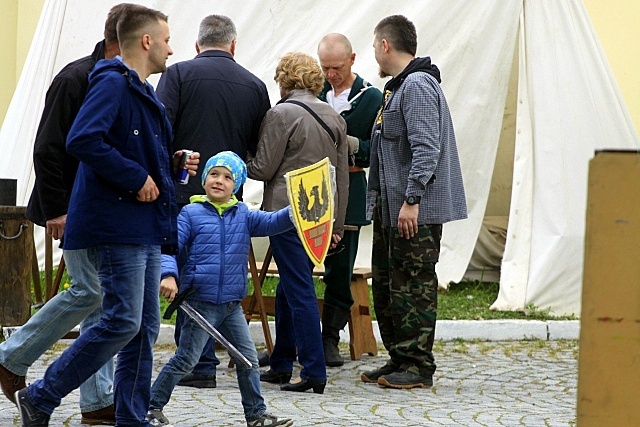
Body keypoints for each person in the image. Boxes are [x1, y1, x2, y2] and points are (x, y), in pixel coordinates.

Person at [13, 5, 194, 425]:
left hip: (145, 227)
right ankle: (40, 397)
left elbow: (129, 150)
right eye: (166, 39)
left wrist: (172, 163)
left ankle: (131, 416)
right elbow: (83, 139)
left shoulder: (144, 91)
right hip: (118, 226)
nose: (172, 47)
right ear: (146, 41)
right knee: (122, 321)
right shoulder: (112, 82)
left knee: (143, 328)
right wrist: (135, 178)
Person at [0, 4, 128, 425]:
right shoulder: (75, 78)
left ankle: (96, 401)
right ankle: (10, 355)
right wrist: (57, 209)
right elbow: (47, 147)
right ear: (125, 39)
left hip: (102, 209)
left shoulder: (123, 80)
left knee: (101, 301)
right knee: (91, 292)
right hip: (71, 208)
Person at [156, 14, 271, 389]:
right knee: (219, 273)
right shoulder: (254, 86)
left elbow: (159, 129)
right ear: (233, 46)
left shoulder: (177, 75)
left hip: (183, 190)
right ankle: (209, 359)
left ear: (196, 44)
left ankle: (198, 363)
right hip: (229, 199)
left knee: (190, 276)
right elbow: (258, 148)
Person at [147, 151, 294, 427]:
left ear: (236, 186)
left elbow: (274, 222)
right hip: (199, 304)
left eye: (227, 177)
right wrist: (168, 274)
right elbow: (169, 245)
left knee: (248, 359)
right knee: (186, 360)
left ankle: (256, 415)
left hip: (231, 306)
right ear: (204, 180)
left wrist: (297, 210)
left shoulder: (244, 216)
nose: (219, 181)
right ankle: (151, 407)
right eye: (214, 174)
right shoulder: (190, 213)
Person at [361, 15, 467, 390]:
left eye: (375, 46)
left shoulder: (418, 85)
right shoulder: (398, 88)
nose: (374, 52)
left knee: (412, 285)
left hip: (412, 212)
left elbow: (426, 148)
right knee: (391, 286)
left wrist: (412, 199)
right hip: (393, 210)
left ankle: (418, 366)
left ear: (386, 45)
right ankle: (401, 357)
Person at [247, 51, 349, 393]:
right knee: (291, 287)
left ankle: (313, 371)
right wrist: (337, 224)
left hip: (285, 212)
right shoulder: (333, 116)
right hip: (319, 212)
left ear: (284, 80)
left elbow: (262, 168)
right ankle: (280, 362)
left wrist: (238, 155)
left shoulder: (281, 114)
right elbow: (342, 178)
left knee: (299, 289)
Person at [316, 33, 382, 367]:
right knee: (296, 261)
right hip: (312, 190)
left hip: (350, 191)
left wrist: (356, 146)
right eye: (325, 67)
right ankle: (294, 336)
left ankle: (329, 338)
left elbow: (382, 151)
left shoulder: (371, 98)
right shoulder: (313, 92)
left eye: (337, 67)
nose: (331, 74)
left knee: (340, 267)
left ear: (353, 59)